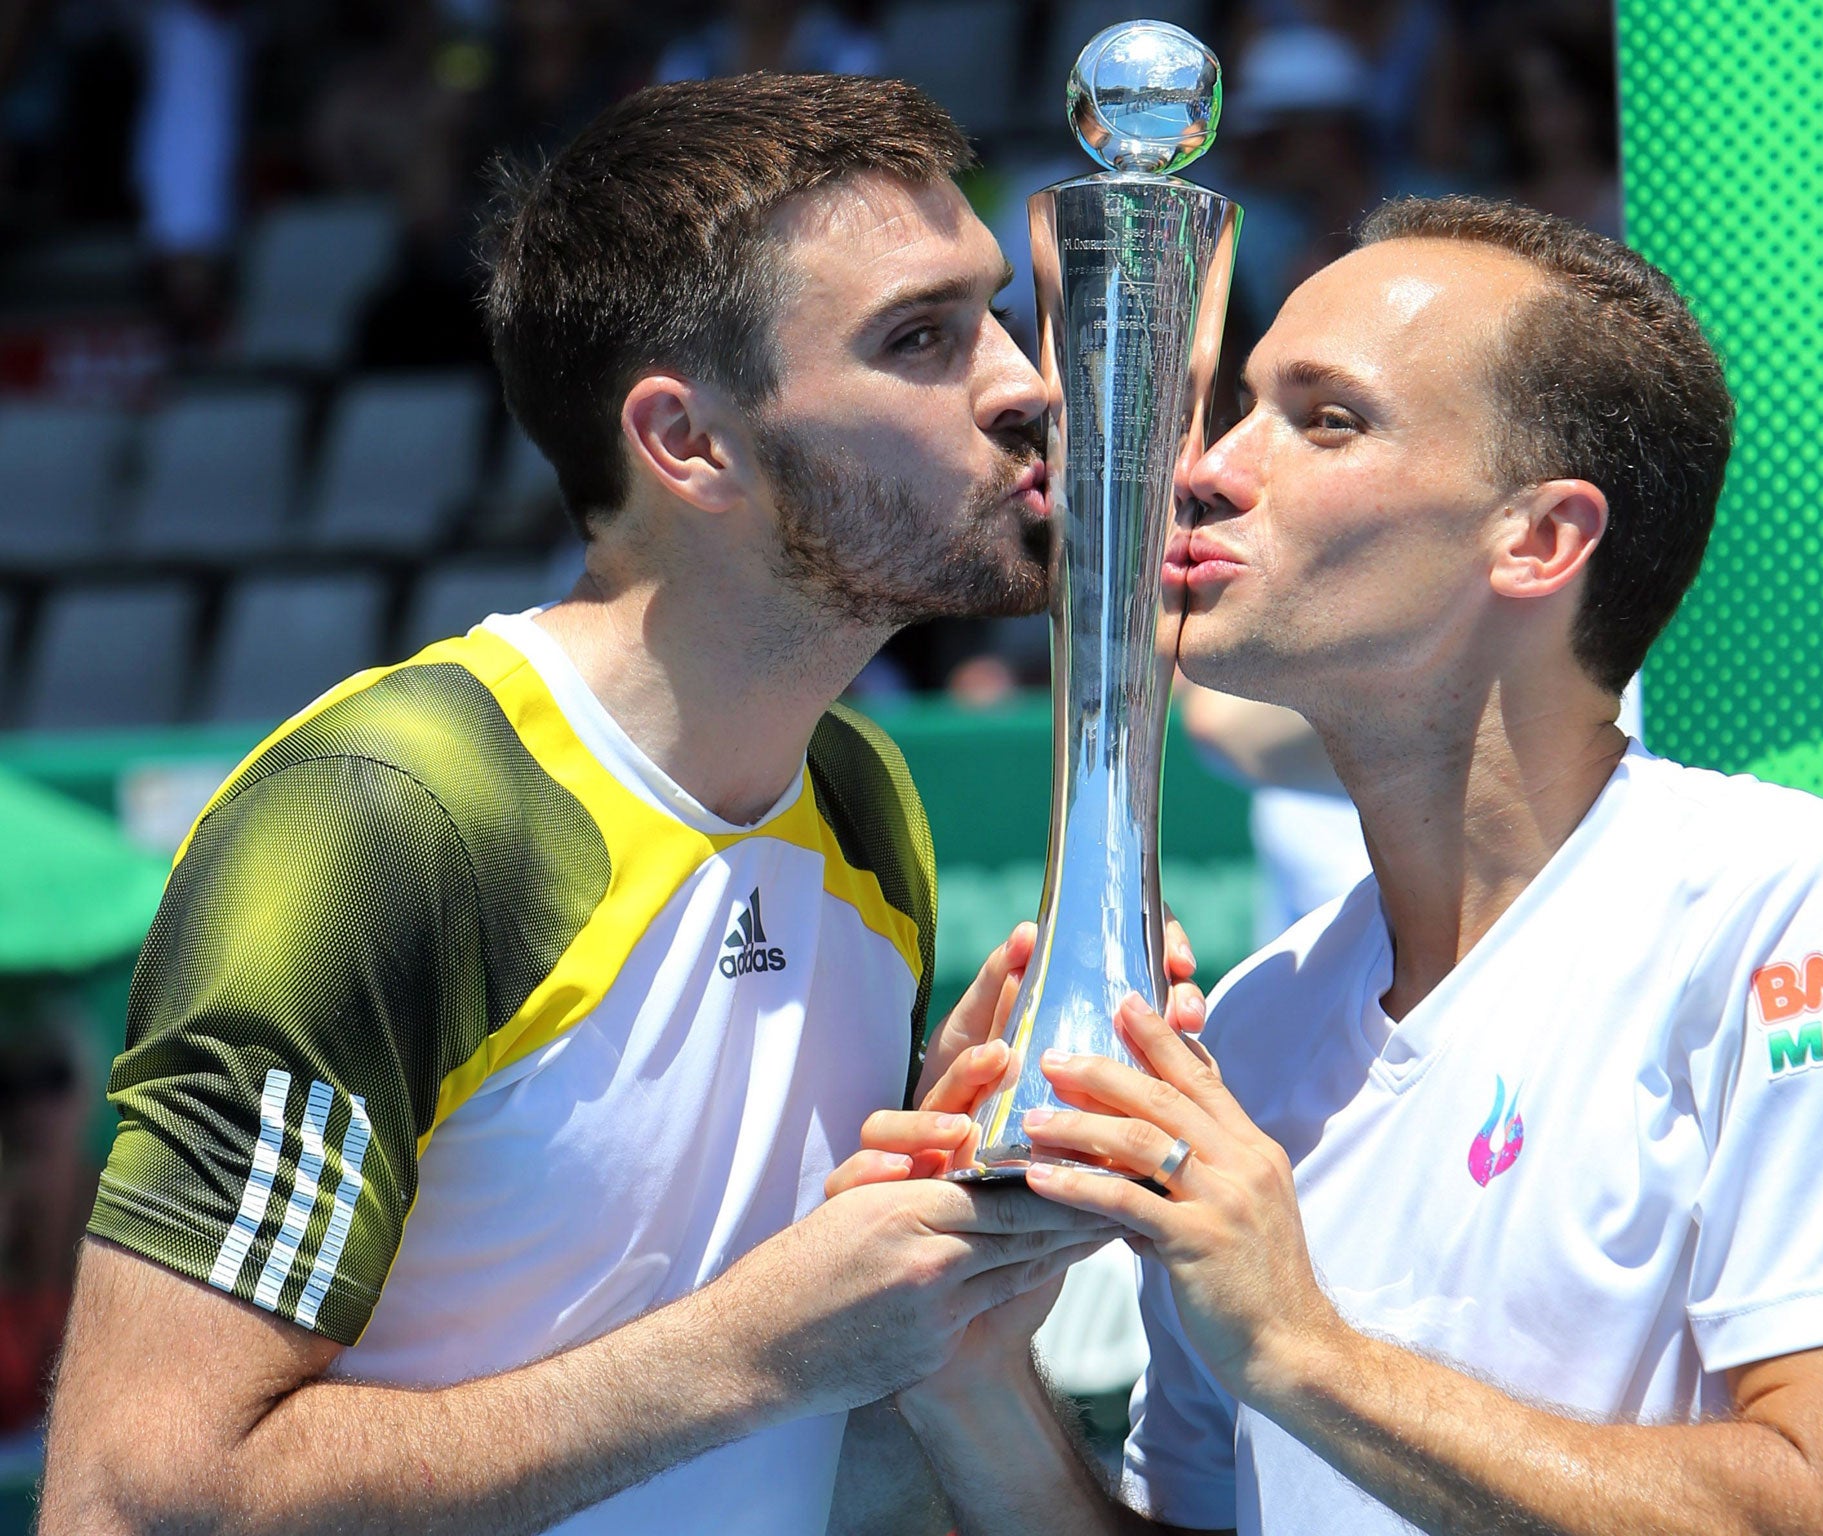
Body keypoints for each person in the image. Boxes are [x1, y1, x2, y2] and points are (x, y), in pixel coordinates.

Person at [39, 74, 1202, 1535]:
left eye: (997, 311)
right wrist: (752, 1348)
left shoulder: (857, 796)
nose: (1027, 380)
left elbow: (785, 1452)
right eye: (923, 338)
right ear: (686, 441)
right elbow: (129, 1501)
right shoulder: (388, 812)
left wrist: (953, 1235)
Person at [841, 196, 1823, 1534]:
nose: (1209, 466)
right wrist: (969, 1374)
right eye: (1239, 407)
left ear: (1539, 539)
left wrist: (1301, 1350)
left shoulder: (1811, 919)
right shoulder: (1264, 1014)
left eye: (1325, 419)